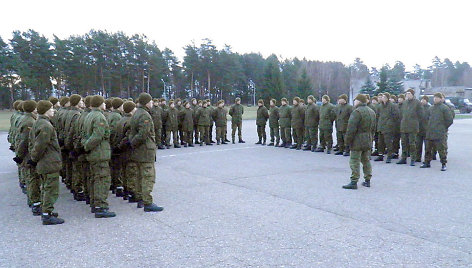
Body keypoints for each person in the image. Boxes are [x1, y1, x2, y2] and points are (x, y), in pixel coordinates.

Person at [29, 100, 65, 225]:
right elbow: (40, 145)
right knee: (51, 188)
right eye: (51, 109)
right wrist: (34, 159)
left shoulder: (40, 122)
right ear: (45, 110)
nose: (53, 110)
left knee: (46, 187)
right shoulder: (45, 125)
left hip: (46, 161)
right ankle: (47, 214)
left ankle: (47, 210)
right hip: (48, 161)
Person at [127, 93, 164, 212]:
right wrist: (134, 142)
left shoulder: (137, 113)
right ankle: (147, 202)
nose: (152, 103)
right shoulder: (144, 115)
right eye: (151, 101)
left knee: (139, 176)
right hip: (145, 150)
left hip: (138, 151)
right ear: (147, 102)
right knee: (148, 176)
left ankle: (140, 199)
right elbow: (143, 134)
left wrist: (132, 143)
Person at [83, 95, 116, 218]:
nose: (105, 105)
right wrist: (87, 146)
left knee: (94, 178)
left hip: (94, 153)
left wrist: (86, 145)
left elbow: (84, 134)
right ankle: (100, 206)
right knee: (102, 180)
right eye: (103, 102)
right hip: (99, 153)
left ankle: (94, 203)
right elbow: (97, 136)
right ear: (100, 104)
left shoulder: (89, 115)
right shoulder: (99, 117)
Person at [342, 94, 376, 189]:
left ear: (359, 101)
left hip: (357, 140)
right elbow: (373, 128)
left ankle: (354, 181)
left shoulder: (356, 112)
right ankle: (367, 179)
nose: (354, 102)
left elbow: (351, 128)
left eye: (355, 100)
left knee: (354, 161)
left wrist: (347, 142)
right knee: (366, 160)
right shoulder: (372, 111)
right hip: (368, 139)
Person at [13, 100, 40, 214]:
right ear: (33, 109)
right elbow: (25, 140)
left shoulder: (28, 119)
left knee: (31, 178)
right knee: (32, 178)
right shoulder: (29, 121)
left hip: (26, 153)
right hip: (28, 154)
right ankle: (35, 203)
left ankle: (32, 200)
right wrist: (19, 155)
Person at [420, 93, 453, 171]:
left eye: (437, 98)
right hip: (430, 132)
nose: (435, 99)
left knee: (441, 149)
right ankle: (427, 162)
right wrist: (428, 127)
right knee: (428, 149)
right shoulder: (431, 108)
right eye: (434, 98)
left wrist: (443, 128)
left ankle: (443, 164)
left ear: (441, 99)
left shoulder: (444, 108)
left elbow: (449, 120)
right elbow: (426, 118)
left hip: (440, 133)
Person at [112, 101, 136, 200]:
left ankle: (126, 191)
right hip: (128, 150)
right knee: (131, 173)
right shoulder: (130, 121)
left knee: (125, 172)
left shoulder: (121, 120)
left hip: (122, 151)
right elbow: (127, 138)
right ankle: (131, 192)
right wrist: (120, 146)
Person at [398, 89, 423, 166]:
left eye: (409, 93)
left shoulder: (417, 103)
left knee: (412, 143)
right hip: (404, 126)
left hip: (412, 127)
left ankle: (413, 158)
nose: (408, 95)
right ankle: (404, 158)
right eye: (407, 94)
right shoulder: (404, 103)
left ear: (412, 94)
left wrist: (414, 120)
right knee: (404, 143)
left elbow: (421, 115)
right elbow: (401, 113)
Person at [375, 93, 400, 163]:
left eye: (384, 97)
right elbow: (377, 116)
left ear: (387, 98)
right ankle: (380, 155)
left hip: (389, 127)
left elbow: (396, 116)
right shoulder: (380, 106)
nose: (383, 98)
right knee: (380, 142)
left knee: (388, 142)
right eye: (382, 97)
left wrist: (390, 122)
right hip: (381, 126)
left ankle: (389, 155)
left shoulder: (393, 106)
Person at [416, 95, 431, 163]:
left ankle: (427, 159)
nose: (422, 101)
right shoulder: (419, 108)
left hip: (427, 130)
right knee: (418, 145)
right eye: (421, 99)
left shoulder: (429, 108)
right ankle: (417, 157)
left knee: (427, 146)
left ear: (427, 101)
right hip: (419, 129)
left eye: (424, 100)